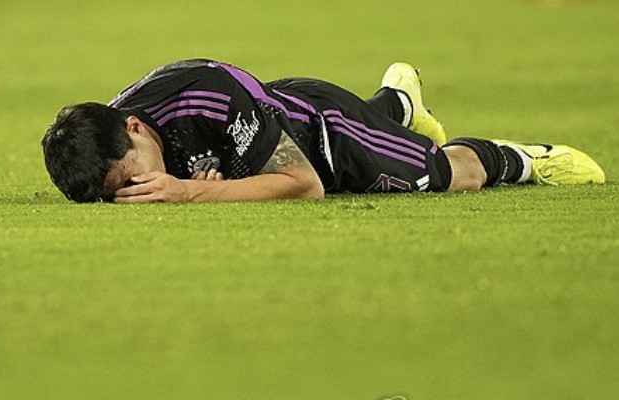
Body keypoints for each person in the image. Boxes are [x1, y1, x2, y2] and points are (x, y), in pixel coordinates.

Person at [41, 59, 605, 203]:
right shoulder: (105, 136)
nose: (137, 193)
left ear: (136, 129)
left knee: (446, 175)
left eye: (132, 180)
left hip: (326, 134)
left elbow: (304, 184)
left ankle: (520, 159)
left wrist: (190, 190)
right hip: (270, 123)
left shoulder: (207, 94)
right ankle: (398, 104)